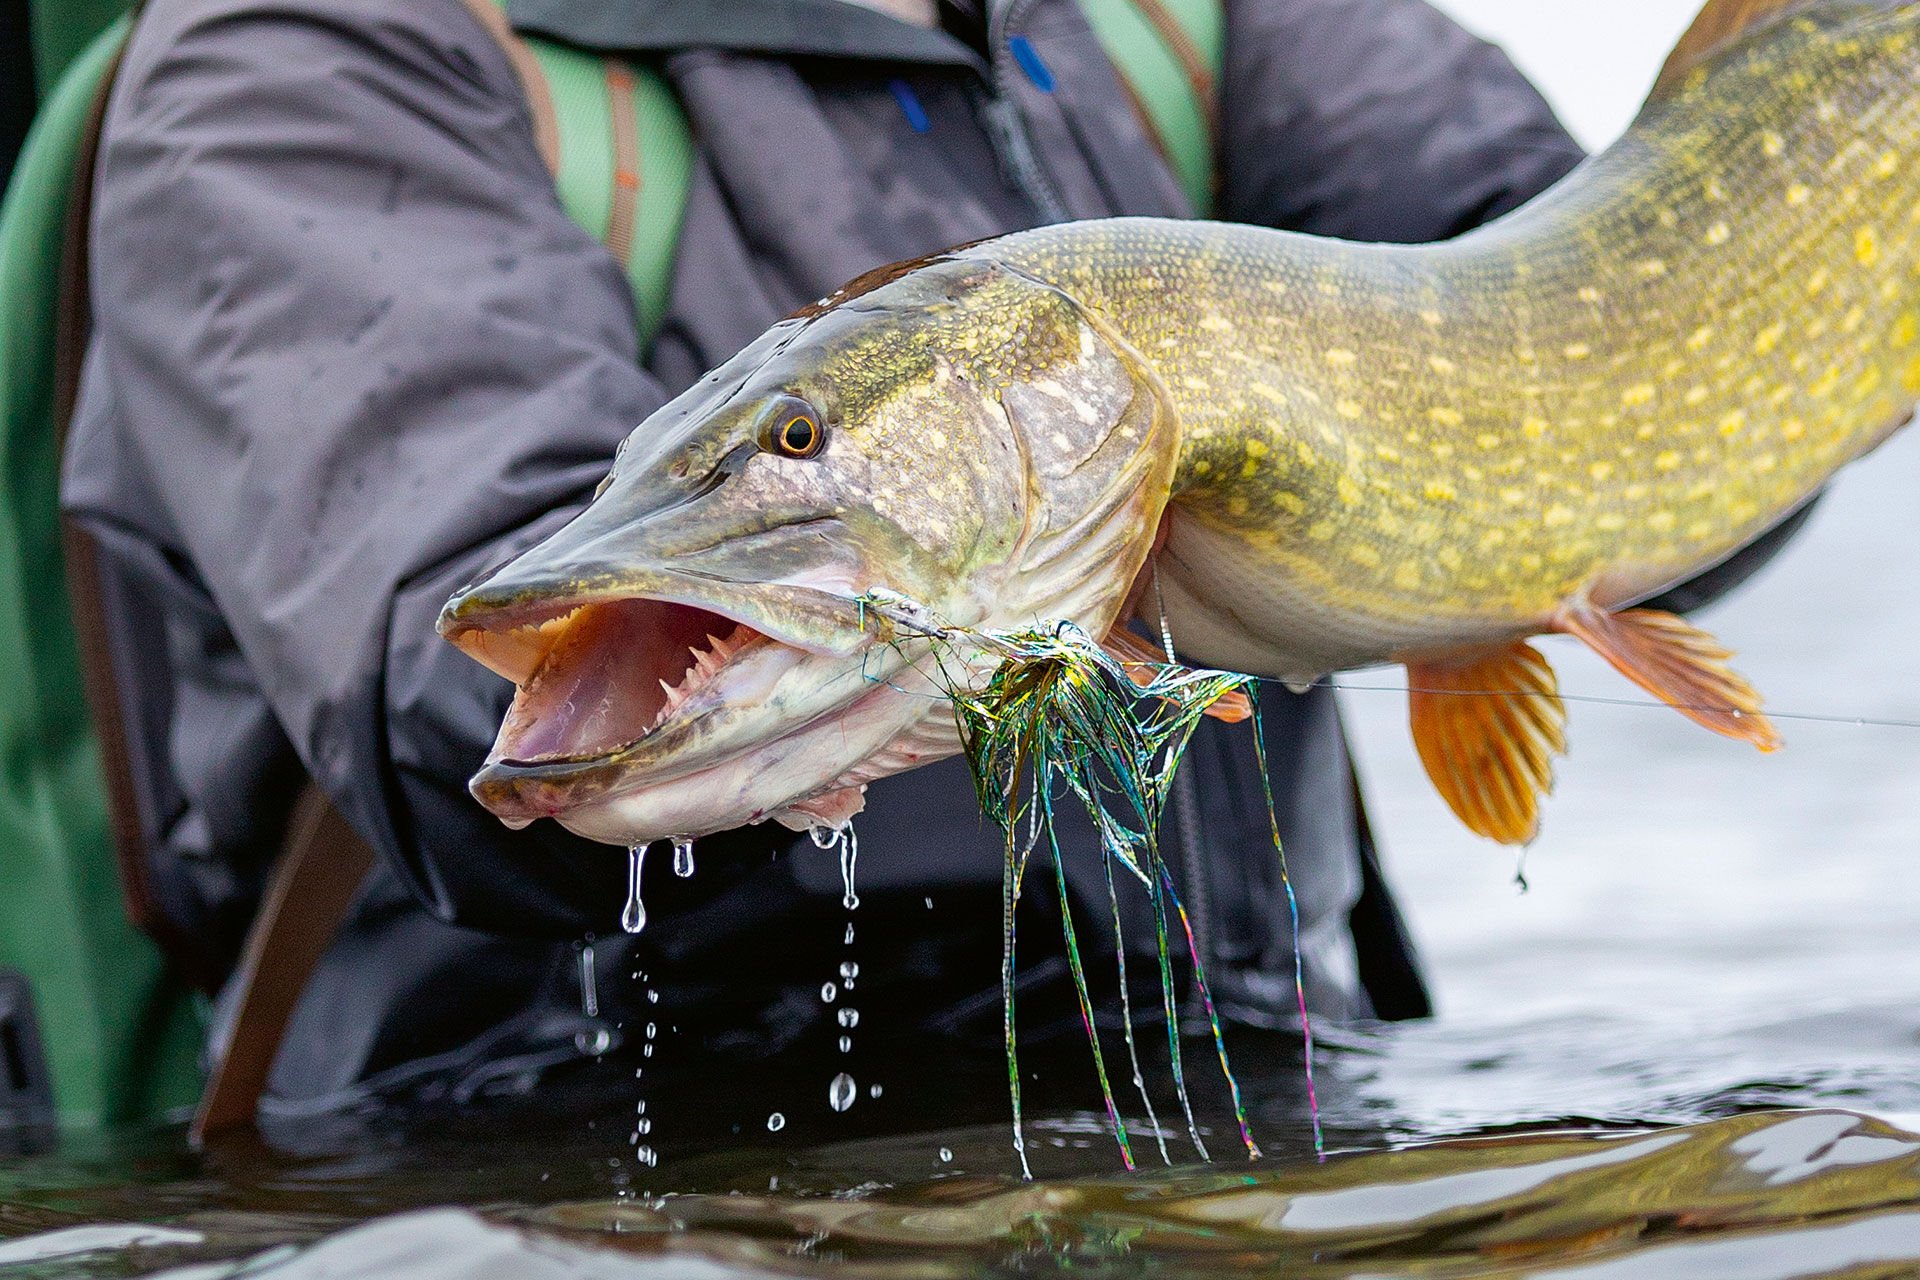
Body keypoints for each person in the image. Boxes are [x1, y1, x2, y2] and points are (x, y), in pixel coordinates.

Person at [59, 0, 1795, 1127]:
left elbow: (1632, 375)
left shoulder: (1204, 19)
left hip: (1256, 1114)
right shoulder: (300, 50)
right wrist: (960, 610)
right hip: (563, 1155)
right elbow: (455, 686)